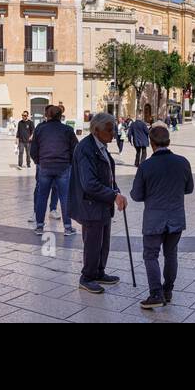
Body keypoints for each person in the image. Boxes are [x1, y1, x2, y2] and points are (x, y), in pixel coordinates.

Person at [129, 124, 193, 309]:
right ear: (169, 142)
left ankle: (155, 293)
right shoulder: (183, 162)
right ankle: (168, 290)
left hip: (154, 220)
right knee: (171, 253)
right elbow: (189, 189)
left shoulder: (146, 166)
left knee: (150, 255)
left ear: (151, 143)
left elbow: (136, 195)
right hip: (176, 218)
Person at [68, 112, 125, 294]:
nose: (113, 133)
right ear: (96, 130)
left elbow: (107, 173)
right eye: (109, 130)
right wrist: (112, 196)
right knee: (93, 242)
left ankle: (99, 272)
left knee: (103, 241)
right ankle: (87, 277)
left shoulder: (101, 145)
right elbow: (89, 183)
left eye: (113, 129)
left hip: (102, 204)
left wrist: (115, 191)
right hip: (90, 205)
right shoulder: (86, 148)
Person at [29, 104, 78, 235]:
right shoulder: (67, 130)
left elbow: (33, 150)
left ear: (47, 115)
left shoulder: (40, 129)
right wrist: (69, 163)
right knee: (65, 198)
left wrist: (38, 162)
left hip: (45, 166)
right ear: (60, 116)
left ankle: (39, 226)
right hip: (63, 168)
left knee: (42, 196)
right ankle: (68, 227)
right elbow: (76, 149)